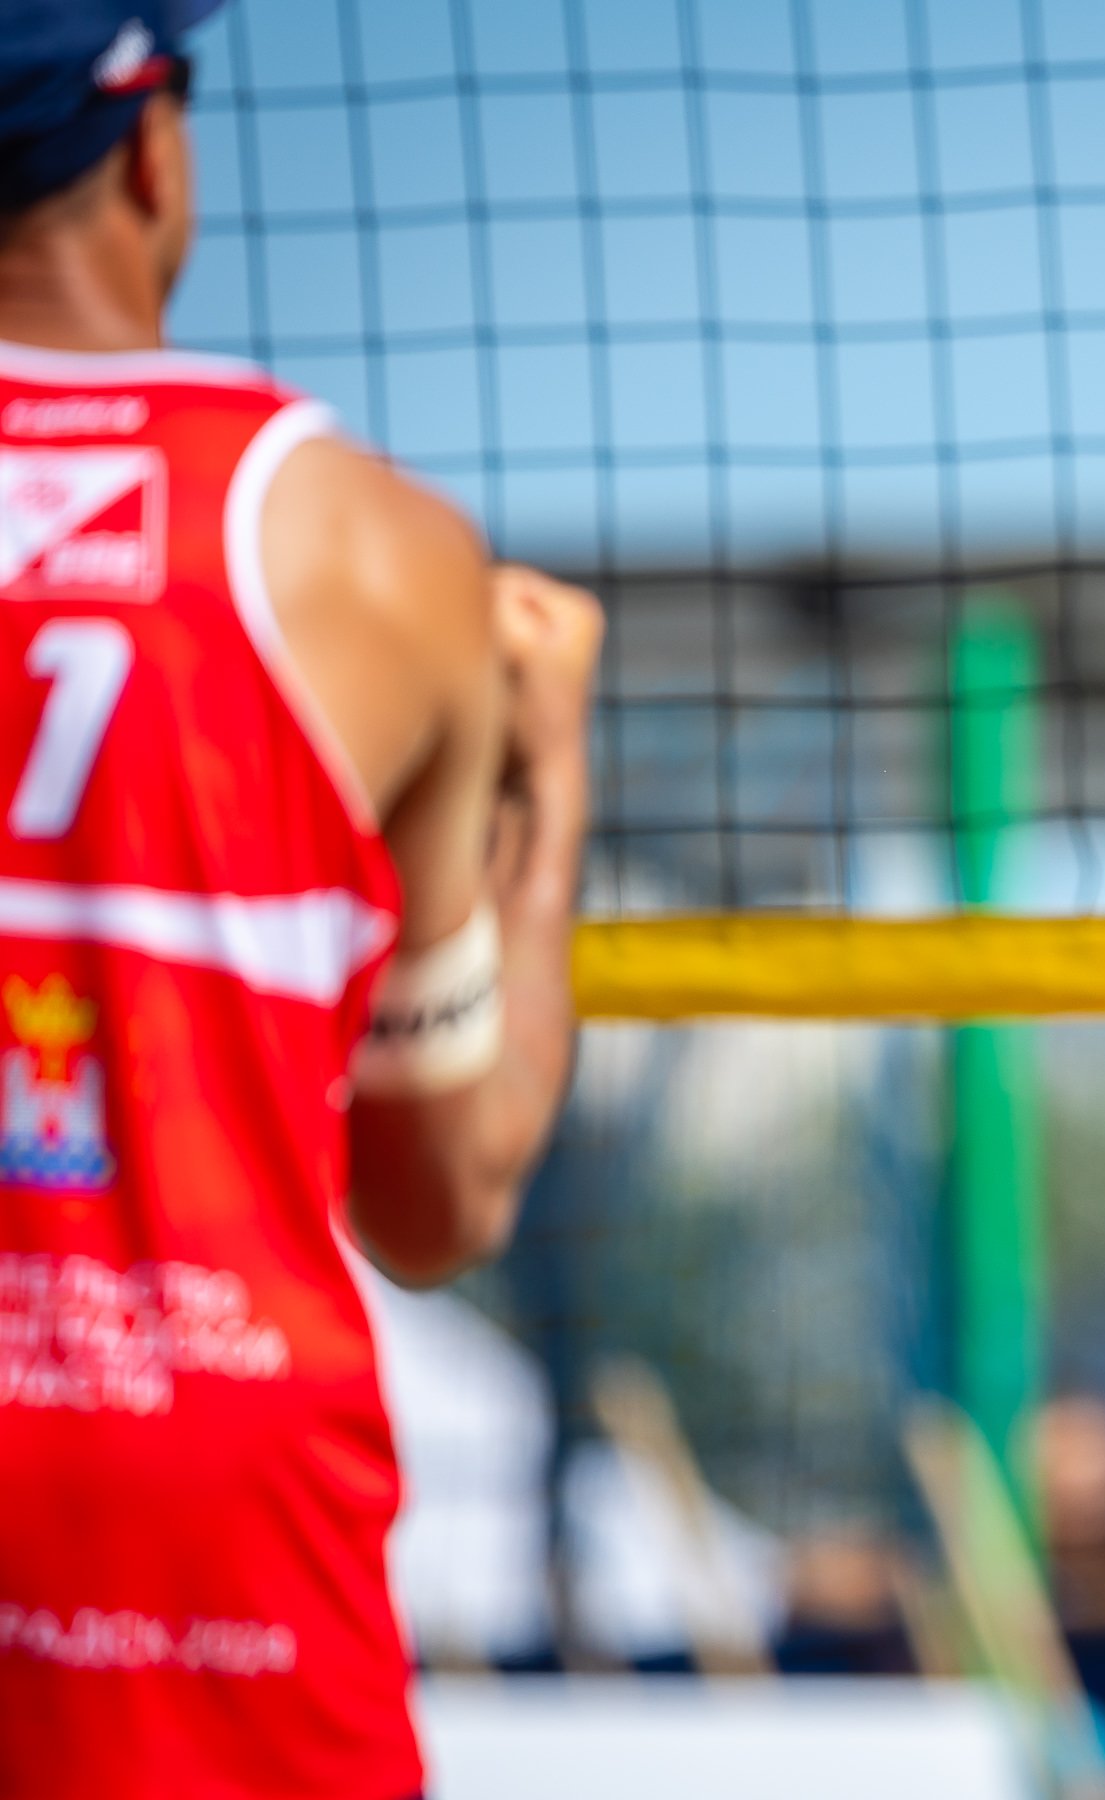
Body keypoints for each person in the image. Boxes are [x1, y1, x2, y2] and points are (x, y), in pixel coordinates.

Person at [0, 4, 599, 1794]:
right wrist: (549, 776)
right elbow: (440, 1194)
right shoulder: (369, 552)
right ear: (152, 154)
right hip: (198, 1495)